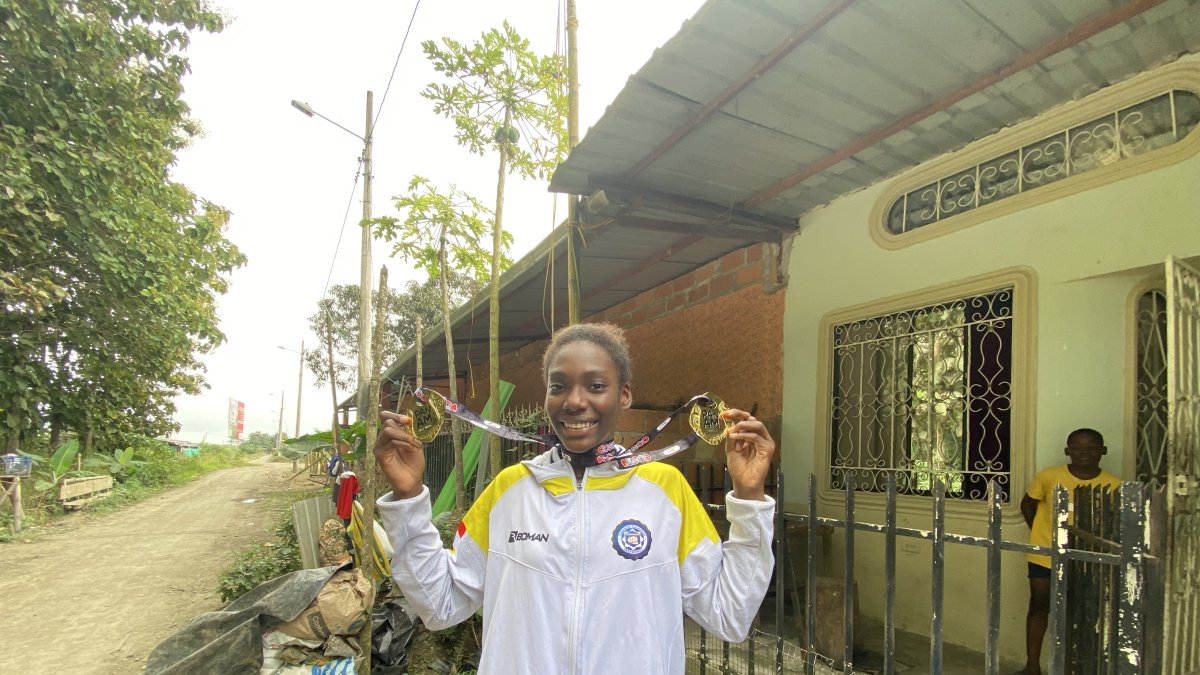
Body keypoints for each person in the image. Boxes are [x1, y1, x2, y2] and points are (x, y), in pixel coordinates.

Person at [373, 322, 777, 674]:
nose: (574, 401)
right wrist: (407, 496)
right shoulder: (510, 490)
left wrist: (750, 497)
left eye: (596, 385)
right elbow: (440, 604)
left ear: (623, 396)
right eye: (558, 386)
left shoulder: (664, 490)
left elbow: (729, 614)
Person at [1018, 428, 1121, 675]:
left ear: (1103, 451)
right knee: (1040, 605)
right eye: (1076, 447)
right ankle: (1032, 665)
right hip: (1045, 555)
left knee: (1082, 610)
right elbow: (1027, 504)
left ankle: (1075, 666)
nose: (1084, 453)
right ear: (1068, 451)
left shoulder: (1114, 484)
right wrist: (1040, 534)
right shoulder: (1049, 476)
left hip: (1086, 559)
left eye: (1092, 448)